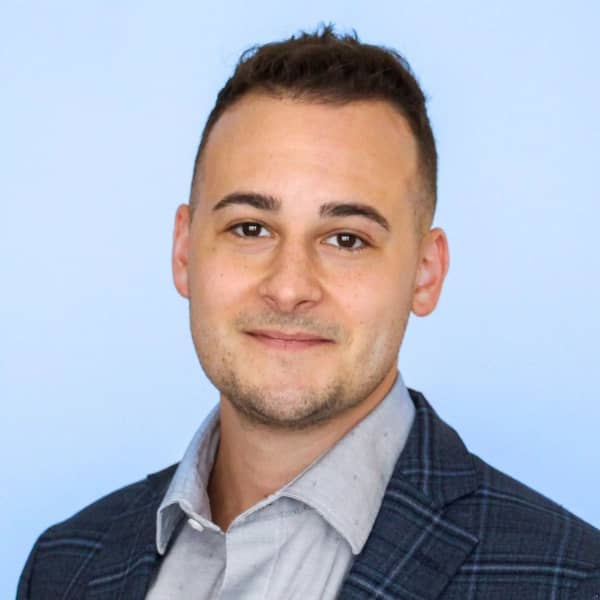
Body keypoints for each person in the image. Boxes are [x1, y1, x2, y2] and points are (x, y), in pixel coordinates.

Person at [17, 25, 600, 600]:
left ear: (426, 273)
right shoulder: (65, 566)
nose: (290, 287)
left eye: (345, 239)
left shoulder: (570, 580)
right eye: (250, 228)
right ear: (184, 251)